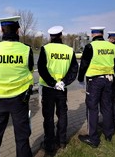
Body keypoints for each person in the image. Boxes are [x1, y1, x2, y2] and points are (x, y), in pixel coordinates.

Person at [0, 16, 34, 157]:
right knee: (22, 136)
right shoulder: (26, 50)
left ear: (2, 30)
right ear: (18, 30)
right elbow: (30, 69)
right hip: (20, 100)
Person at [77, 27, 115, 148]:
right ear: (102, 34)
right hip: (109, 80)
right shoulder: (112, 47)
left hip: (94, 82)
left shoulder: (90, 47)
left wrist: (80, 78)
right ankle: (109, 134)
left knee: (92, 108)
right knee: (106, 107)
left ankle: (93, 138)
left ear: (92, 35)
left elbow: (84, 64)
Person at [38, 26, 78, 154]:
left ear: (51, 37)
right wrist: (63, 82)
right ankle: (62, 141)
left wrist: (52, 83)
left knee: (48, 116)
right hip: (61, 88)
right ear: (61, 36)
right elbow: (73, 70)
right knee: (62, 114)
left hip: (48, 88)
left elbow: (42, 69)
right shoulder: (69, 50)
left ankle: (49, 144)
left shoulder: (46, 49)